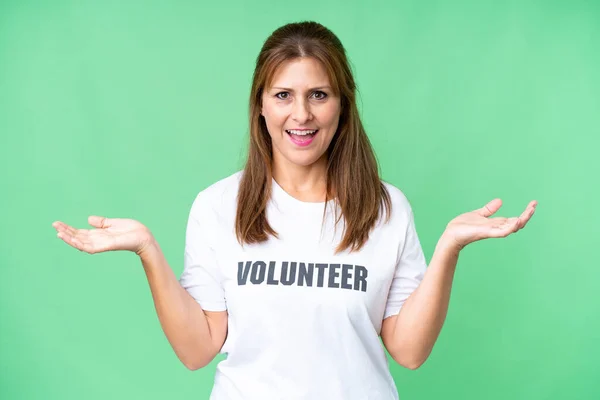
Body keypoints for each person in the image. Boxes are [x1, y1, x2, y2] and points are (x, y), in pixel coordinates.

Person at [52, 21, 537, 400]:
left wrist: (449, 247)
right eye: (283, 95)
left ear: (342, 106)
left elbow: (409, 352)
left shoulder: (386, 209)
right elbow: (198, 348)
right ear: (260, 106)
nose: (300, 115)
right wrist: (147, 251)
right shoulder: (218, 206)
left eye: (318, 95)